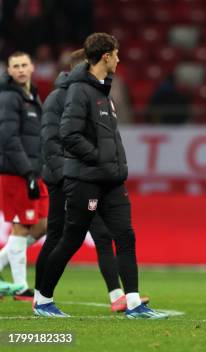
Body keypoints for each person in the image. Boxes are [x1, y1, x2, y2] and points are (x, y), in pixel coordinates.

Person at [35, 33, 167, 319]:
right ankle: (43, 299)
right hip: (85, 180)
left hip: (111, 180)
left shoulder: (103, 91)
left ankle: (133, 303)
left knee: (125, 235)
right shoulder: (79, 91)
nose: (120, 59)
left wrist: (114, 164)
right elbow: (68, 134)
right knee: (71, 238)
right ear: (105, 56)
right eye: (117, 54)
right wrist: (97, 157)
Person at [0, 51, 48, 301]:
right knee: (21, 226)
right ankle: (20, 287)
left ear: (32, 68)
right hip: (16, 172)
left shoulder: (31, 97)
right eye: (15, 66)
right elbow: (8, 138)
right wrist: (27, 170)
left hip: (33, 171)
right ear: (9, 71)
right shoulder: (9, 97)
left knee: (42, 225)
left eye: (23, 65)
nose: (19, 69)